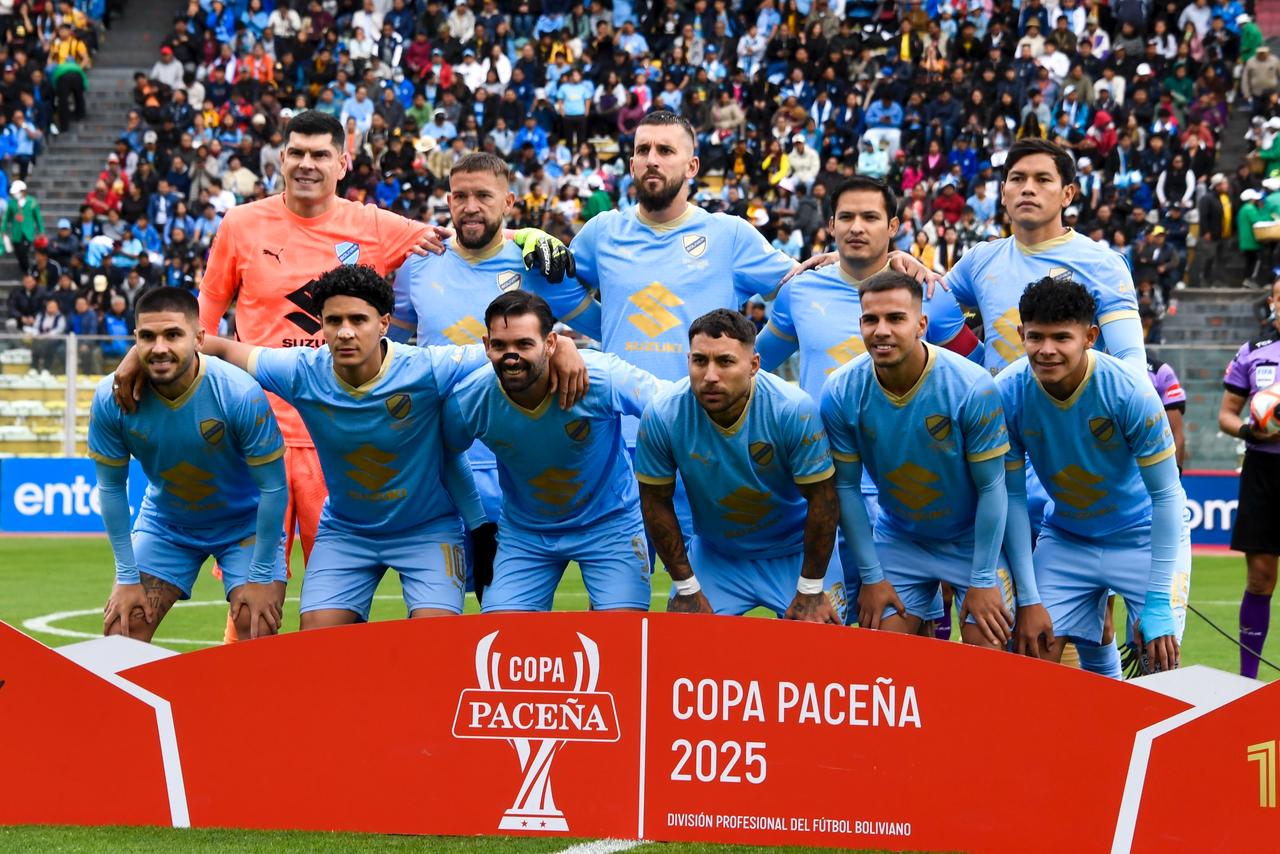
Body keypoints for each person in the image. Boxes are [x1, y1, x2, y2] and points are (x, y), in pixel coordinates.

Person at [111, 110, 567, 641]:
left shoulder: (375, 226)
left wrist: (527, 234)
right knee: (253, 603)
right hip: (256, 436)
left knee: (334, 612)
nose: (307, 164)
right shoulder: (240, 224)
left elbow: (465, 233)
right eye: (297, 153)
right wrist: (139, 354)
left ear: (343, 163)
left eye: (320, 154)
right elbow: (200, 322)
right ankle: (244, 691)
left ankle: (337, 690)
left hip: (336, 445)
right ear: (281, 159)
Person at [199, 264, 585, 628]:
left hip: (427, 530)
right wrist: (162, 351)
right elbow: (223, 349)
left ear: (384, 323)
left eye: (358, 320)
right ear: (321, 324)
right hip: (347, 531)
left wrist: (564, 346)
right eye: (334, 321)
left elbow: (507, 351)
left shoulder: (428, 367)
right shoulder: (301, 371)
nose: (345, 332)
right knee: (317, 640)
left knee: (433, 640)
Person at [391, 153, 598, 602]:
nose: (470, 207)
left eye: (483, 196)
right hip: (438, 464)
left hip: (515, 466)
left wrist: (564, 345)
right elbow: (391, 349)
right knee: (435, 614)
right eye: (460, 196)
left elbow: (606, 327)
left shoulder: (535, 263)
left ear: (508, 202)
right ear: (448, 200)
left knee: (504, 613)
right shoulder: (418, 263)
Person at [998, 278, 1190, 674]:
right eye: (1036, 337)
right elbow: (1012, 499)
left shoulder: (1131, 392)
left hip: (1142, 538)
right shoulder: (1008, 393)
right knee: (1031, 657)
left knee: (1159, 665)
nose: (1046, 350)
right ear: (1021, 334)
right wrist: (1029, 598)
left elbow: (1168, 495)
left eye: (1061, 338)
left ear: (1090, 337)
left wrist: (1157, 600)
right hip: (1067, 538)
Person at [820, 270, 1016, 647]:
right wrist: (872, 577)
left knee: (988, 648)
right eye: (871, 319)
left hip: (971, 540)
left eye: (896, 318)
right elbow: (845, 488)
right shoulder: (841, 390)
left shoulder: (972, 386)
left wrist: (982, 579)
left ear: (921, 324)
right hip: (900, 538)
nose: (881, 330)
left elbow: (993, 488)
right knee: (882, 656)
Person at [443, 291, 664, 613]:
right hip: (525, 534)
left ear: (550, 343)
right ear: (486, 345)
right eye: (500, 345)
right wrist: (479, 526)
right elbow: (447, 453)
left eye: (524, 344)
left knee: (622, 634)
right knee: (502, 636)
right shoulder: (470, 400)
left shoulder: (600, 376)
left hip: (610, 525)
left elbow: (671, 408)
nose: (511, 356)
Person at [89, 288, 288, 642]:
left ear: (198, 339)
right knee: (123, 627)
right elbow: (110, 487)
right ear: (135, 340)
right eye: (147, 337)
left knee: (255, 625)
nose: (159, 347)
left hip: (246, 527)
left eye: (173, 335)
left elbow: (273, 488)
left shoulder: (239, 393)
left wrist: (260, 576)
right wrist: (127, 576)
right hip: (167, 526)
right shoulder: (112, 398)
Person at [635, 308, 846, 622]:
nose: (710, 376)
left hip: (795, 552)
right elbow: (654, 502)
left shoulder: (792, 409)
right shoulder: (663, 414)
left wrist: (811, 588)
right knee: (682, 646)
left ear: (754, 365)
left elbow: (824, 500)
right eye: (699, 361)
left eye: (725, 361)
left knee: (825, 649)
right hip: (716, 556)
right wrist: (686, 586)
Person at [1218, 277, 1280, 678]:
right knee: (1260, 579)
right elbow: (1226, 414)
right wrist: (1249, 431)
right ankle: (1247, 682)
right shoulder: (1253, 352)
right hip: (1263, 471)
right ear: (1273, 301)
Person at [3, 180, 44, 274]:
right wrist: (3, 230)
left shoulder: (32, 202)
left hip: (28, 232)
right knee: (18, 253)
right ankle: (26, 272)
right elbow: (6, 218)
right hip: (16, 233)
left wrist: (41, 231)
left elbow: (38, 218)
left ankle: (28, 272)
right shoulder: (12, 203)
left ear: (23, 191)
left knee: (23, 251)